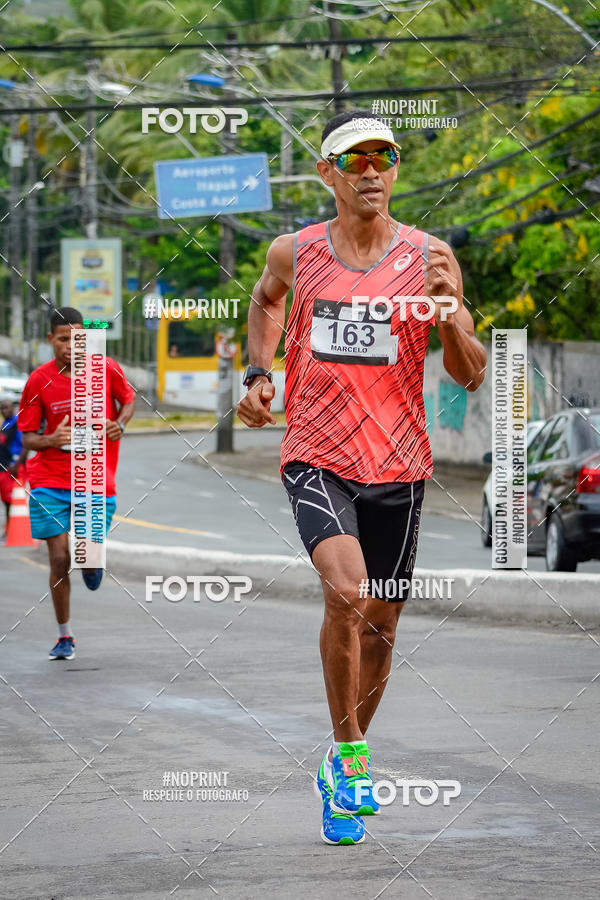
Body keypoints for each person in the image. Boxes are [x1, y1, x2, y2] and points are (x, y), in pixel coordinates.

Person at [237, 110, 487, 845]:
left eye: (386, 154)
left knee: (380, 627)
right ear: (328, 173)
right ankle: (350, 757)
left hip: (400, 465)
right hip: (316, 451)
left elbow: (471, 375)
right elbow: (264, 300)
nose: (373, 168)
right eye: (356, 158)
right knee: (345, 590)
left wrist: (448, 318)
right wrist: (258, 371)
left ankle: (340, 759)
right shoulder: (296, 250)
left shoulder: (431, 256)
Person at [18, 307, 135, 660]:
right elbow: (27, 439)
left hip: (94, 478)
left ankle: (93, 561)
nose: (72, 345)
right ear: (50, 340)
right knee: (57, 558)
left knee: (86, 561)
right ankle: (64, 635)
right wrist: (51, 439)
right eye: (64, 339)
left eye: (78, 338)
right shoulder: (38, 381)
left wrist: (121, 424)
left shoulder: (106, 369)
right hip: (48, 480)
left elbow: (128, 400)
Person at [0, 397, 28, 536]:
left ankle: (17, 530)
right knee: (6, 500)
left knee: (16, 498)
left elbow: (25, 445)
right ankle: (9, 528)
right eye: (2, 408)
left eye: (7, 407)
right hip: (4, 467)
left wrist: (16, 465)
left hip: (15, 467)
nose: (5, 410)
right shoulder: (5, 423)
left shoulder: (17, 423)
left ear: (13, 408)